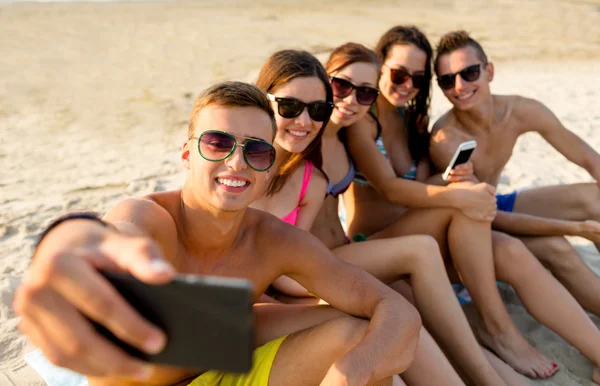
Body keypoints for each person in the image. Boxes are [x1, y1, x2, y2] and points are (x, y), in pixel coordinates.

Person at [13, 81, 421, 386]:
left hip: (218, 367)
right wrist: (66, 240)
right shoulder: (152, 218)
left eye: (256, 151)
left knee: (361, 334)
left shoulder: (274, 239)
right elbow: (108, 236)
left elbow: (393, 308)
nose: (236, 162)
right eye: (217, 143)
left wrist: (352, 374)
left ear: (270, 169)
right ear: (188, 154)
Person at [252, 47, 522, 386]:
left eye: (366, 92)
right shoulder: (247, 168)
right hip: (293, 286)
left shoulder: (316, 165)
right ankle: (487, 367)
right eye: (342, 88)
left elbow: (299, 250)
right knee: (398, 292)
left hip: (316, 269)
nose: (305, 120)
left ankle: (486, 362)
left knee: (403, 300)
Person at [344, 25, 600, 382]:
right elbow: (390, 190)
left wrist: (450, 187)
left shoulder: (408, 117)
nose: (406, 86)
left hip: (431, 233)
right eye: (398, 74)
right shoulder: (362, 120)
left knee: (513, 251)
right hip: (380, 241)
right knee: (469, 201)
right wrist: (456, 192)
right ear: (378, 67)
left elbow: (425, 189)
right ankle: (499, 329)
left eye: (417, 79)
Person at [430, 30, 600, 319]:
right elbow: (486, 214)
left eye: (469, 72)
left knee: (595, 199)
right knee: (557, 248)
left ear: (489, 71)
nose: (459, 86)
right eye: (447, 80)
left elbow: (586, 156)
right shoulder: (446, 139)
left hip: (496, 204)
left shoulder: (520, 110)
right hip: (470, 227)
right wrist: (574, 228)